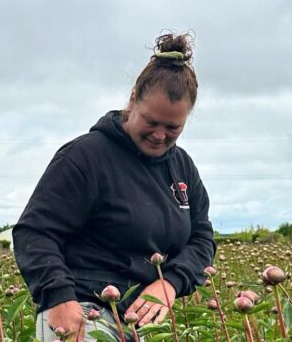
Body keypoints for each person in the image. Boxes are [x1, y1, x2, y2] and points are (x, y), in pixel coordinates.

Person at [13, 32, 215, 341]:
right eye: (151, 121)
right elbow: (35, 232)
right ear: (133, 99)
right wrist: (57, 295)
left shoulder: (182, 167)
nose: (160, 135)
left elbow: (201, 238)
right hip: (81, 308)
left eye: (173, 127)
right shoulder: (85, 157)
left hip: (144, 318)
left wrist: (170, 282)